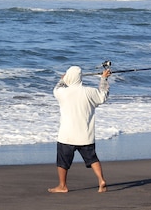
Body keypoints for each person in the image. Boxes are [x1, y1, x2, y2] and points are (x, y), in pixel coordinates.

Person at [48, 65, 112, 193]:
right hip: (85, 135)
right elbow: (103, 96)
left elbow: (56, 89)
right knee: (92, 159)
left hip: (67, 135)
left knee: (63, 162)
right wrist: (104, 79)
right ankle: (101, 180)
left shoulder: (62, 93)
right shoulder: (89, 91)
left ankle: (62, 186)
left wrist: (62, 80)